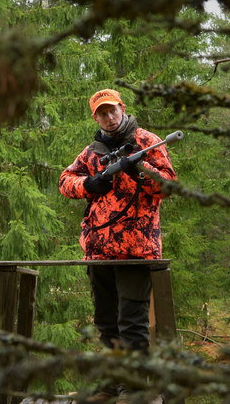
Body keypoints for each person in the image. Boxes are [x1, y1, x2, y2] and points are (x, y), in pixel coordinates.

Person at [59, 89, 177, 403]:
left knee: (132, 321)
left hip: (137, 250)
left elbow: (168, 185)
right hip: (98, 250)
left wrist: (138, 169)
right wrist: (89, 184)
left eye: (112, 110)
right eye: (102, 113)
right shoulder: (92, 151)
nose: (109, 117)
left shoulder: (147, 142)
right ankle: (112, 385)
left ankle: (134, 389)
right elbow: (65, 181)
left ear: (122, 109)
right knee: (106, 321)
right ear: (95, 116)